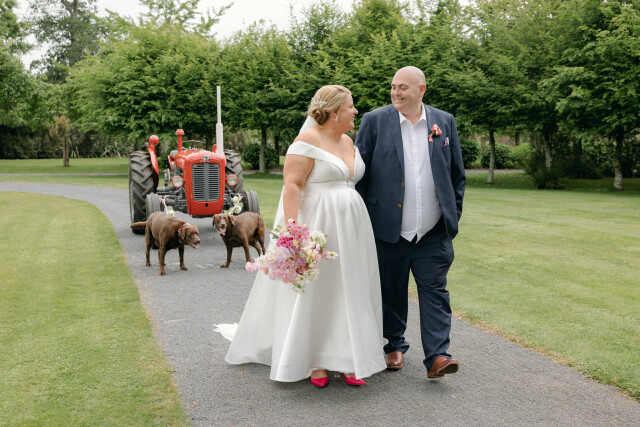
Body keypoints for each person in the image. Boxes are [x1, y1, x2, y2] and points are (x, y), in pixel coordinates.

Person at [220, 85, 387, 387]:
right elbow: (293, 185)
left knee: (349, 286)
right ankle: (315, 360)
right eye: (351, 106)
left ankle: (349, 357)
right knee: (319, 289)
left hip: (351, 226)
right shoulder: (306, 141)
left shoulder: (347, 141)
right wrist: (294, 232)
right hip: (318, 223)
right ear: (334, 112)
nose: (355, 111)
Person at [355, 66, 466, 379]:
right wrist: (364, 222)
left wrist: (451, 214)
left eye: (403, 87)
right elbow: (359, 174)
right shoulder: (374, 121)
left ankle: (438, 356)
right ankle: (394, 345)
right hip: (388, 228)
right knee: (391, 290)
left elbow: (456, 174)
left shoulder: (444, 121)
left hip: (433, 230)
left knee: (435, 291)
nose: (396, 92)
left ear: (421, 89)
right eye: (393, 87)